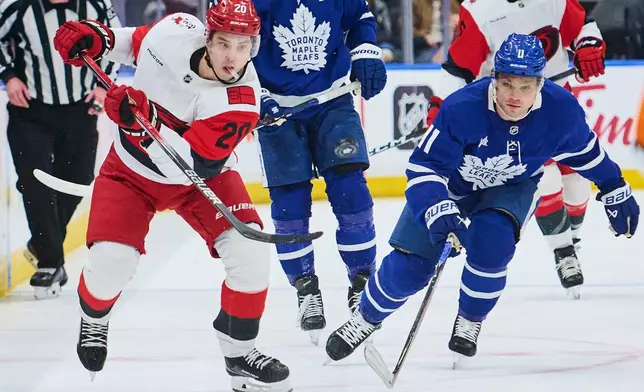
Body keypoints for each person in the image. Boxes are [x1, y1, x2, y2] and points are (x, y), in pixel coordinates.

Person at [325, 33, 639, 363]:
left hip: (513, 186)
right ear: (494, 79)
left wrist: (614, 188)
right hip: (453, 186)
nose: (515, 96)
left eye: (526, 86)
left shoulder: (561, 111)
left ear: (540, 84)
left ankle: (471, 319)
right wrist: (438, 208)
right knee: (411, 268)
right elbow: (423, 168)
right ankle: (364, 319)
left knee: (494, 241)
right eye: (507, 84)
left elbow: (587, 155)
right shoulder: (462, 107)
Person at [53, 1, 291, 390]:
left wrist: (140, 120)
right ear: (207, 38)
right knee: (112, 264)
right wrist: (100, 38)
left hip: (199, 177)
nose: (234, 58)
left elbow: (187, 166)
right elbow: (136, 45)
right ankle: (94, 319)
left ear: (255, 46)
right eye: (225, 44)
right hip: (131, 172)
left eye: (244, 47)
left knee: (250, 254)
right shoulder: (176, 28)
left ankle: (239, 354)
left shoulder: (241, 100)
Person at [425, 0, 608, 298]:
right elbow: (459, 67)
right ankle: (563, 252)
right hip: (510, 112)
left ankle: (572, 238)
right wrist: (441, 103)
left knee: (575, 183)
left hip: (555, 105)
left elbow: (582, 26)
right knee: (544, 178)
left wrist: (588, 45)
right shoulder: (480, 8)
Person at [250, 0, 387, 344]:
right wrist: (249, 90)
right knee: (289, 203)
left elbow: (361, 17)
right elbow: (233, 41)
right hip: (275, 110)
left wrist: (366, 50)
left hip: (334, 101)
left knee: (352, 191)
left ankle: (361, 282)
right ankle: (306, 288)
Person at [0, 0, 120, 299]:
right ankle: (50, 263)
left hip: (80, 111)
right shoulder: (16, 6)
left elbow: (118, 41)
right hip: (30, 111)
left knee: (77, 181)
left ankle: (40, 245)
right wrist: (9, 75)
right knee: (35, 183)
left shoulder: (97, 5)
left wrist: (105, 86)